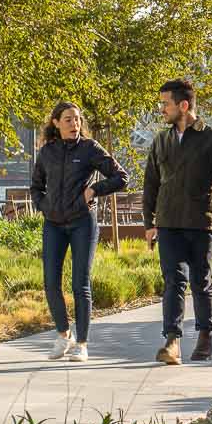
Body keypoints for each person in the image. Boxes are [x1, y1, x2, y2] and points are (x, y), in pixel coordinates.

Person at [142, 78, 212, 364]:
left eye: (165, 104)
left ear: (183, 105)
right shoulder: (161, 140)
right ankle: (172, 341)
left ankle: (205, 336)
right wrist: (149, 223)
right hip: (168, 222)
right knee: (173, 280)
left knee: (201, 281)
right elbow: (151, 183)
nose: (161, 109)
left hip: (202, 223)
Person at [31, 102, 128, 363]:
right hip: (53, 224)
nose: (74, 124)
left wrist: (93, 190)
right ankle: (63, 335)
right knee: (51, 283)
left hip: (82, 222)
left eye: (77, 119)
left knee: (80, 284)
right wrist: (44, 205)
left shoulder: (89, 149)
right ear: (56, 123)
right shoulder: (47, 152)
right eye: (68, 120)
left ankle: (82, 344)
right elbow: (36, 186)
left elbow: (121, 177)